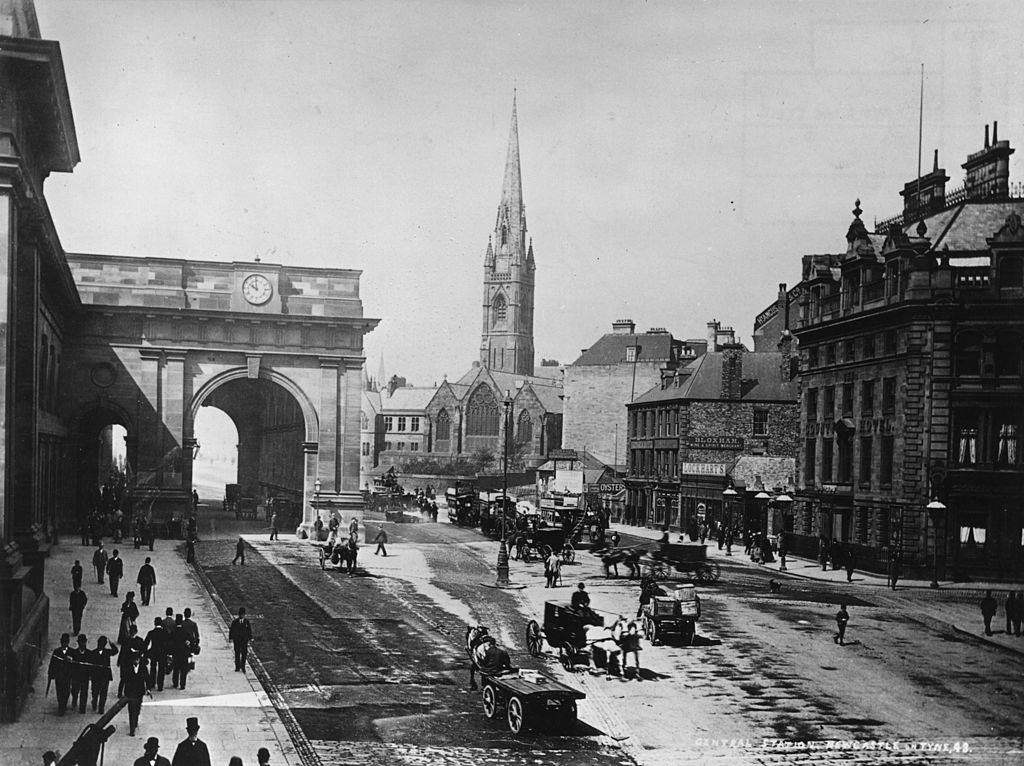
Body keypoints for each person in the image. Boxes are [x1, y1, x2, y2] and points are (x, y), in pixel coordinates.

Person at [123, 653, 152, 737]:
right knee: (131, 710)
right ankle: (132, 729)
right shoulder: (128, 667)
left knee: (137, 709)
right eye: (134, 660)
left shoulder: (143, 667)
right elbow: (124, 679)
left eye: (137, 660)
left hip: (139, 692)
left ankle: (135, 721)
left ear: (139, 660)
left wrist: (148, 689)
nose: (136, 661)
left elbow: (147, 679)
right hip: (130, 692)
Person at [89, 635, 118, 714]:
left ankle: (101, 707)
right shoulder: (93, 653)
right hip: (96, 676)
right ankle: (94, 702)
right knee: (95, 692)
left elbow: (115, 651)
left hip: (105, 676)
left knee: (103, 693)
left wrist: (111, 644)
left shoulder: (107, 652)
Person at [48, 633, 74, 715]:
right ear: (61, 642)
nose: (64, 644)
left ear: (68, 642)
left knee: (66, 691)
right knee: (59, 691)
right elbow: (52, 663)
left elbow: (75, 664)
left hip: (67, 675)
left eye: (66, 642)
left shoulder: (71, 652)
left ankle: (64, 705)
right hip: (59, 675)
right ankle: (61, 706)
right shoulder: (56, 651)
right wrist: (51, 673)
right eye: (63, 642)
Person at [144, 616, 170, 692]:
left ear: (154, 623)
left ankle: (152, 683)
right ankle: (160, 685)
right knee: (161, 669)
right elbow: (168, 643)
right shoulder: (165, 632)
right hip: (162, 653)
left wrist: (145, 653)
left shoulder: (151, 632)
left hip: (154, 652)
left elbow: (146, 643)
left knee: (153, 668)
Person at [69, 634, 91, 714]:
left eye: (84, 642)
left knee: (84, 692)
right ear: (78, 643)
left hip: (85, 676)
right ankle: (74, 699)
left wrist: (90, 675)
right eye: (81, 643)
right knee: (75, 690)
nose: (83, 644)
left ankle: (82, 708)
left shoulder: (89, 653)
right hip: (76, 676)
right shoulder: (74, 653)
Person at [171, 614, 194, 690]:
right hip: (184, 653)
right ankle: (182, 684)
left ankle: (175, 683)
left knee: (176, 669)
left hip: (176, 653)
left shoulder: (173, 632)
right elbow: (191, 640)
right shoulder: (185, 632)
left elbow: (170, 642)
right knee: (183, 670)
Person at [229, 607, 253, 672]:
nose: (242, 616)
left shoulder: (246, 622)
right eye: (241, 614)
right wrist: (230, 638)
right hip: (237, 640)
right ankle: (237, 667)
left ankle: (243, 667)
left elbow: (249, 630)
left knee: (244, 654)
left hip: (244, 641)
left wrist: (250, 638)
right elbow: (231, 630)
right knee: (237, 653)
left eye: (243, 614)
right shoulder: (234, 622)